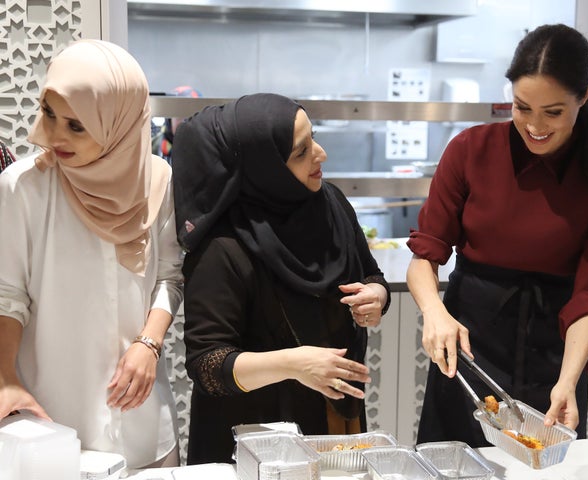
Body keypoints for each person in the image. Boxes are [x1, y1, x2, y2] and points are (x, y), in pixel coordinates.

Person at [406, 23, 588, 447]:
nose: (534, 126)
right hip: (470, 345)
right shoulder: (470, 150)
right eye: (521, 107)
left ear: (584, 96)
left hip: (556, 349)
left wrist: (568, 381)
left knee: (545, 465)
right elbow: (426, 254)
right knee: (454, 461)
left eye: (553, 112)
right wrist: (434, 312)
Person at [172, 93, 391, 464]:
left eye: (314, 138)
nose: (320, 154)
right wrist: (293, 364)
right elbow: (208, 365)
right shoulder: (223, 247)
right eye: (301, 152)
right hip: (251, 438)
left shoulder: (330, 203)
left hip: (331, 418)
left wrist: (375, 295)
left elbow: (369, 271)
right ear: (265, 167)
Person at [0, 40, 183, 469]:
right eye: (49, 114)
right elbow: (8, 295)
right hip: (50, 420)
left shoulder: (157, 180)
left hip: (141, 419)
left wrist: (148, 344)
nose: (55, 136)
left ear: (118, 122)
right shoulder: (22, 186)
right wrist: (5, 379)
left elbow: (170, 276)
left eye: (77, 126)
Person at [151, 85, 201, 164]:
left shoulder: (208, 148)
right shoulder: (153, 146)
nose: (186, 122)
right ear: (169, 120)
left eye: (191, 116)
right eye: (180, 116)